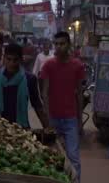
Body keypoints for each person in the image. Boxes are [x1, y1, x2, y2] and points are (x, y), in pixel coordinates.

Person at [40, 32, 85, 180]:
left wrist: (80, 120)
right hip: (53, 118)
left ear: (68, 45)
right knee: (53, 156)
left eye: (62, 44)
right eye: (56, 44)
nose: (58, 47)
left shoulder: (77, 66)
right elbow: (45, 94)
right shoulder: (48, 65)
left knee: (74, 157)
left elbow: (79, 94)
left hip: (71, 118)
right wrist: (47, 119)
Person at [0, 43, 49, 128]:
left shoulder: (30, 79)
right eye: (9, 59)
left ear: (20, 60)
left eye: (15, 60)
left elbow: (37, 105)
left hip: (20, 128)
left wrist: (47, 128)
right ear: (4, 58)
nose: (11, 63)